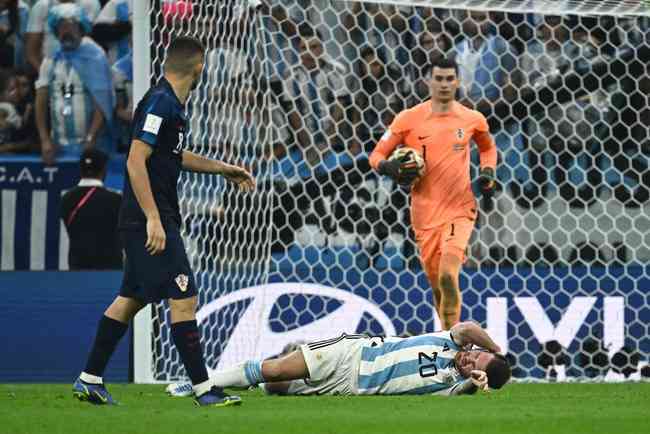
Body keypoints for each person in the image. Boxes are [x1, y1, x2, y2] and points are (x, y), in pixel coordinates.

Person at [72, 36, 255, 407]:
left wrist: (222, 169)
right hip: (149, 220)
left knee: (131, 299)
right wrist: (154, 218)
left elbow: (172, 155)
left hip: (147, 217)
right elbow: (135, 160)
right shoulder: (160, 102)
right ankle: (203, 389)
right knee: (184, 296)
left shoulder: (170, 104)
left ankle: (89, 378)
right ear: (199, 66)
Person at [369, 57, 497, 330]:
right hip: (424, 215)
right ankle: (447, 335)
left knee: (449, 276)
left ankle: (452, 346)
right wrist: (388, 166)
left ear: (458, 82)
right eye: (438, 78)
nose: (444, 84)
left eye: (449, 78)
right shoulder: (408, 119)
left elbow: (487, 148)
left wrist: (487, 171)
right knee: (438, 284)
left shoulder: (472, 118)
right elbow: (376, 155)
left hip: (460, 209)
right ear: (428, 81)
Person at [167, 321, 510, 397]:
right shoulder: (448, 341)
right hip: (351, 352)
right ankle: (202, 383)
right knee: (273, 369)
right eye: (476, 355)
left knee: (276, 387)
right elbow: (467, 327)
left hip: (349, 387)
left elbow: (464, 391)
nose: (470, 359)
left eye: (475, 364)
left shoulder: (450, 386)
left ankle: (222, 380)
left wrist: (473, 383)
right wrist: (496, 348)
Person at [34, 3, 115, 164]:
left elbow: (102, 101)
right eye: (61, 27)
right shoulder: (51, 60)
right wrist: (44, 140)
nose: (66, 31)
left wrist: (91, 138)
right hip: (58, 147)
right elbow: (41, 100)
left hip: (93, 145)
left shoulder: (95, 56)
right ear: (56, 32)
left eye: (71, 27)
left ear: (81, 28)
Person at [60, 148, 122, 270]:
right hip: (110, 271)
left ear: (80, 170)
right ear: (104, 170)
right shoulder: (116, 199)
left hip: (77, 268)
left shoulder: (66, 198)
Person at [25, 0, 100, 72]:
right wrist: (45, 75)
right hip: (48, 70)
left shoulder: (91, 3)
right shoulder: (41, 6)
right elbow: (31, 51)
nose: (66, 30)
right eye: (62, 27)